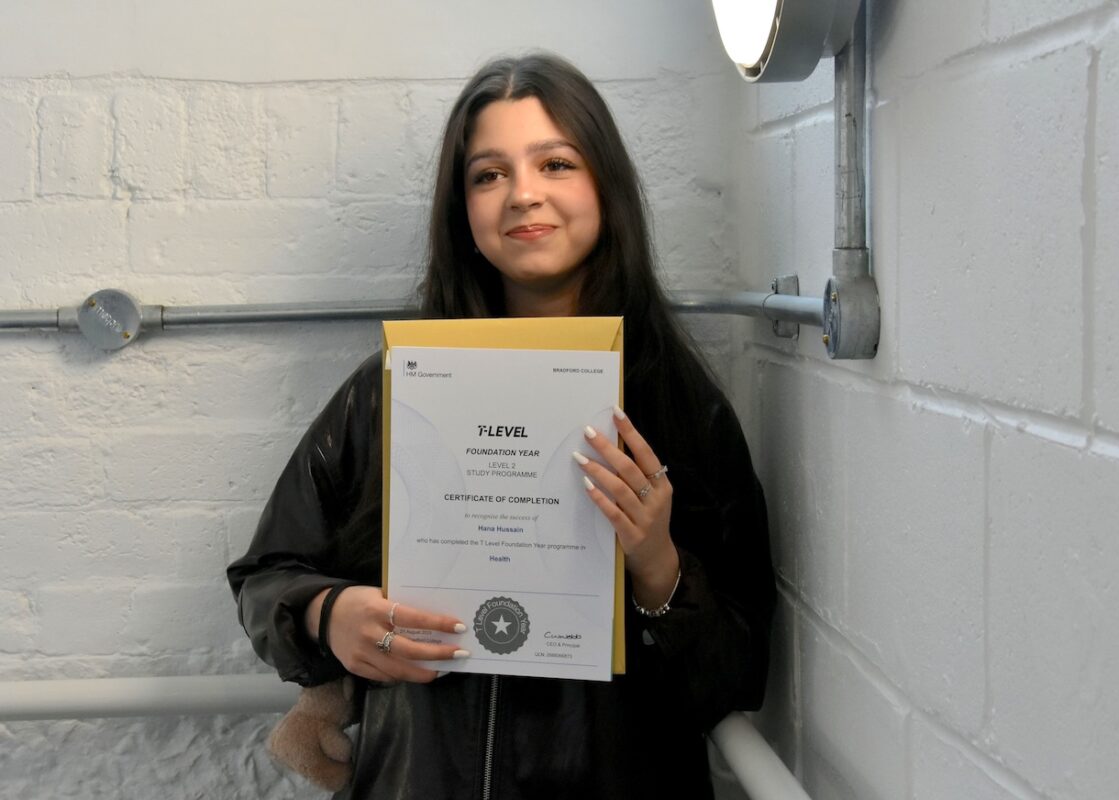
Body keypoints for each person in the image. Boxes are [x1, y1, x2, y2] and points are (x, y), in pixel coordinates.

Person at [228, 53, 775, 800]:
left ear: (604, 187)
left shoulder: (681, 406)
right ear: (463, 210)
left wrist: (657, 566)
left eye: (555, 162)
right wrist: (329, 614)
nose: (522, 194)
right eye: (488, 174)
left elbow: (739, 676)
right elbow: (266, 576)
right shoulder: (393, 389)